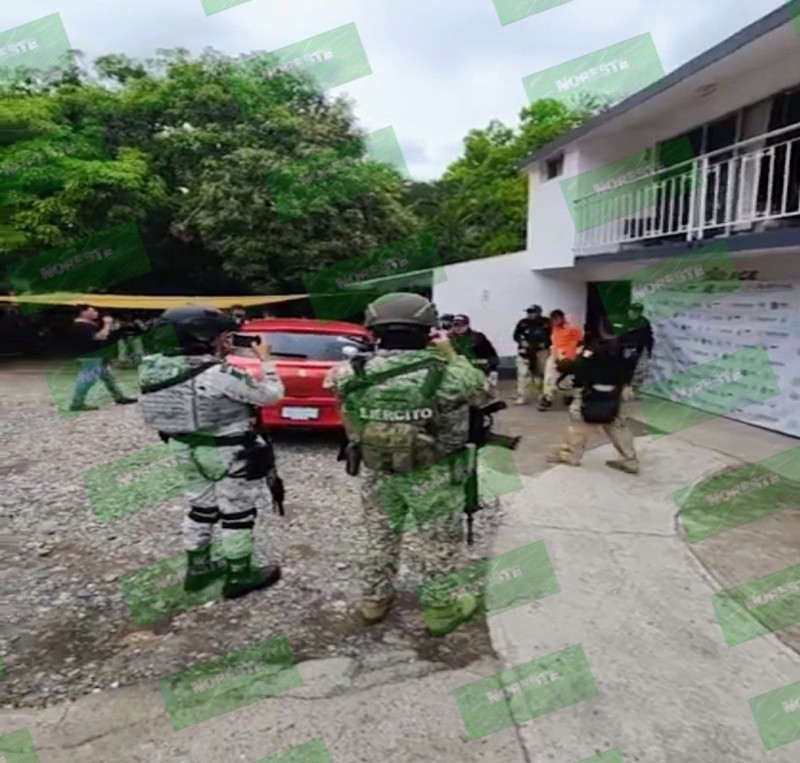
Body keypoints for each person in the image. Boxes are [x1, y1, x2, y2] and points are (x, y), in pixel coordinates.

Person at [324, 293, 491, 636]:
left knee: (380, 536)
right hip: (434, 472)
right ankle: (441, 610)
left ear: (374, 331)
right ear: (428, 331)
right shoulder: (451, 373)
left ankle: (374, 601)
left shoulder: (348, 372)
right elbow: (482, 393)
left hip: (379, 469)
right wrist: (451, 353)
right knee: (438, 541)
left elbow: (342, 402)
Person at [137, 306, 285, 598]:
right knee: (237, 513)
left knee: (200, 509)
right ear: (202, 337)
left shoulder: (150, 367)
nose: (226, 342)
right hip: (229, 452)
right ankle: (239, 574)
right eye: (222, 336)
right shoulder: (220, 373)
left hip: (183, 447)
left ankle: (198, 569)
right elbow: (271, 396)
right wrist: (266, 362)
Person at [546, 335, 639, 474]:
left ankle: (570, 455)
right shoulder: (623, 349)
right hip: (613, 392)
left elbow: (580, 366)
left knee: (579, 423)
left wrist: (563, 363)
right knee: (615, 423)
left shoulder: (595, 348)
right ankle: (630, 459)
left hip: (592, 393)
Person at [68, 305, 138, 412]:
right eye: (92, 311)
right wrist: (107, 324)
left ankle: (119, 397)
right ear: (83, 313)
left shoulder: (89, 324)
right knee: (87, 379)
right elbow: (100, 336)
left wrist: (112, 327)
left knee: (108, 377)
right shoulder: (81, 325)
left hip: (97, 355)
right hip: (90, 355)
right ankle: (76, 403)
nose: (96, 313)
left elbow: (105, 334)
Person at [538, 309, 584, 411]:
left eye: (556, 319)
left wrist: (572, 357)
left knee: (567, 379)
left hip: (568, 357)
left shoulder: (572, 329)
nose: (554, 322)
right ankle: (547, 398)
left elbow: (580, 344)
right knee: (549, 378)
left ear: (561, 318)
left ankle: (568, 395)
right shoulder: (554, 328)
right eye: (553, 320)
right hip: (554, 356)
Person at [449, 314, 500, 396]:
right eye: (455, 325)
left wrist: (493, 370)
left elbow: (491, 354)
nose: (458, 328)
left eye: (461, 325)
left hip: (479, 370)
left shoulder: (478, 337)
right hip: (459, 374)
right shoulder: (448, 339)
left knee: (483, 395)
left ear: (467, 325)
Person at [512, 304, 551, 405]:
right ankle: (522, 396)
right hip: (525, 352)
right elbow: (516, 335)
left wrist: (545, 343)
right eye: (528, 312)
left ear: (538, 313)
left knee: (541, 375)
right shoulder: (523, 323)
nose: (529, 314)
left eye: (532, 312)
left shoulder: (546, 323)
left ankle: (542, 394)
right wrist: (521, 341)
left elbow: (552, 336)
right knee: (523, 374)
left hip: (541, 352)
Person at [617, 303, 654, 400]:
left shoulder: (643, 322)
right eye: (633, 311)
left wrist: (649, 350)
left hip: (635, 350)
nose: (635, 314)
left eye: (637, 312)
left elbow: (648, 337)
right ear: (629, 310)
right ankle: (618, 391)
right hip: (619, 350)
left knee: (631, 370)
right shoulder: (621, 320)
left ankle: (628, 390)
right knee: (619, 370)